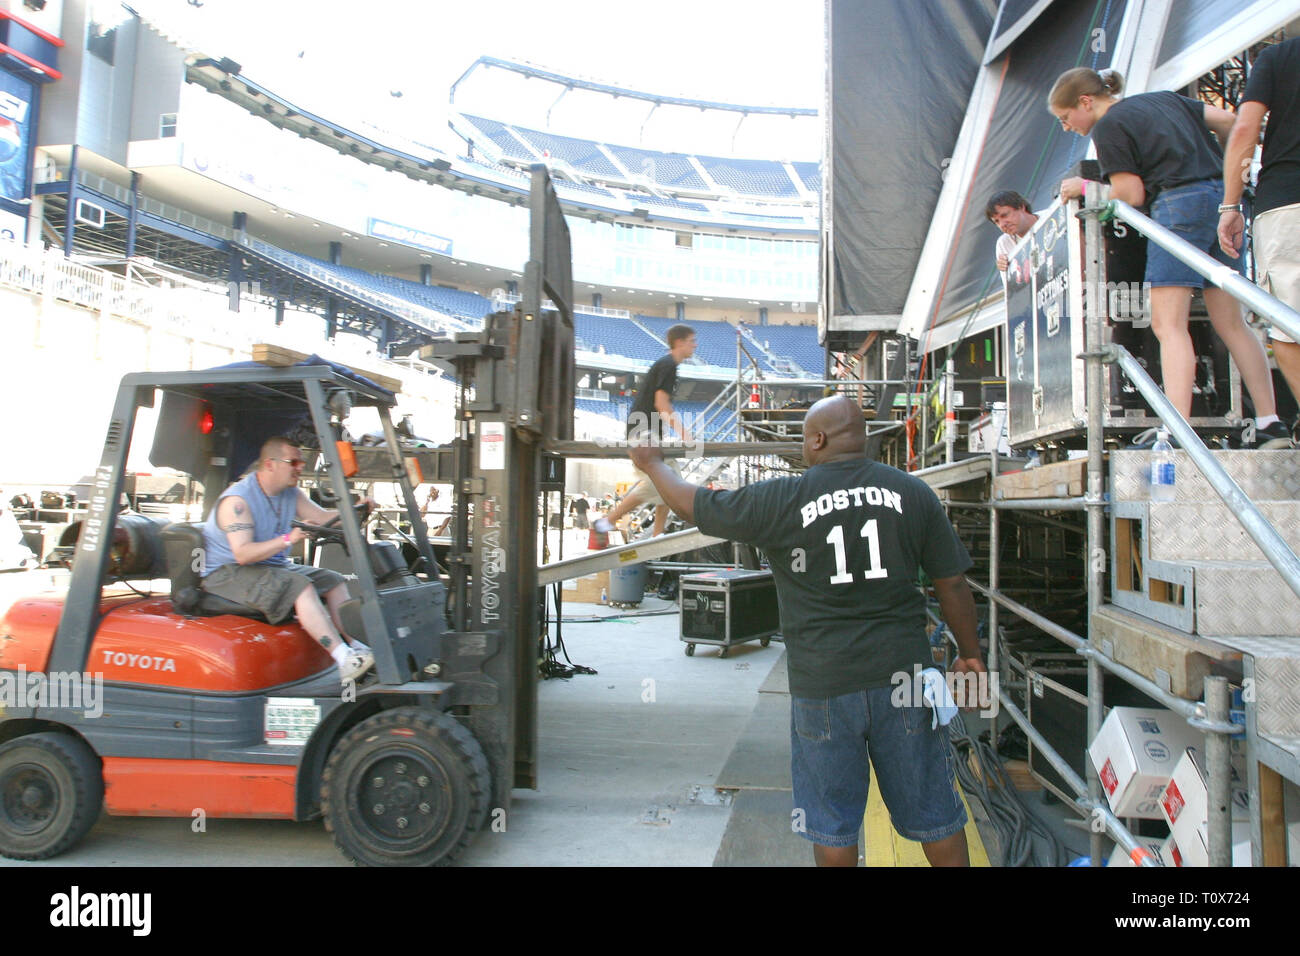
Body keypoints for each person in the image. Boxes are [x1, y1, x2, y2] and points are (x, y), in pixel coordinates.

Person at [629, 394, 985, 867]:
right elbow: (952, 582)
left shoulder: (783, 498)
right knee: (935, 812)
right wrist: (971, 654)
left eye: (804, 440)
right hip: (904, 680)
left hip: (823, 688)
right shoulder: (912, 493)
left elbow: (696, 505)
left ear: (818, 439)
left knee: (833, 824)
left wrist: (653, 464)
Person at [1050, 68, 1288, 446]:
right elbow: (1229, 120)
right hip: (1223, 202)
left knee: (1168, 324)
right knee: (1232, 323)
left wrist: (1085, 187)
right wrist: (1231, 176)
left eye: (1065, 118)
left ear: (1085, 102)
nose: (1066, 128)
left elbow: (1131, 193)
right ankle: (1270, 421)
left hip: (1177, 206)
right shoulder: (1163, 97)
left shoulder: (1108, 126)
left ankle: (1178, 431)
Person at [200, 436, 375, 681]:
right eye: (293, 462)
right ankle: (342, 658)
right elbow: (243, 554)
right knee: (299, 587)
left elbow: (323, 517)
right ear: (270, 464)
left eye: (301, 462)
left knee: (333, 580)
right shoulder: (238, 502)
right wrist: (288, 539)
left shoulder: (290, 493)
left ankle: (357, 647)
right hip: (227, 573)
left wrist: (356, 511)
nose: (300, 467)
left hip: (269, 565)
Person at [1218, 37, 1300, 425]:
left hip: (1288, 201)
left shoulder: (1279, 56)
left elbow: (1245, 126)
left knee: (1288, 327)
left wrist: (1231, 205)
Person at [592, 324, 697, 544]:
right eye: (691, 341)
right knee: (659, 481)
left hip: (647, 431)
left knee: (673, 481)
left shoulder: (669, 365)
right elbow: (662, 403)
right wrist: (685, 435)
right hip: (642, 431)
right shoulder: (668, 365)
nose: (694, 345)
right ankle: (607, 521)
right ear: (679, 342)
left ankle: (657, 536)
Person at [986, 190, 1041, 272]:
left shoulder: (1051, 215)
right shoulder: (1003, 243)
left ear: (1021, 207)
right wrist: (1006, 271)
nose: (1002, 224)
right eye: (997, 221)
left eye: (1004, 215)